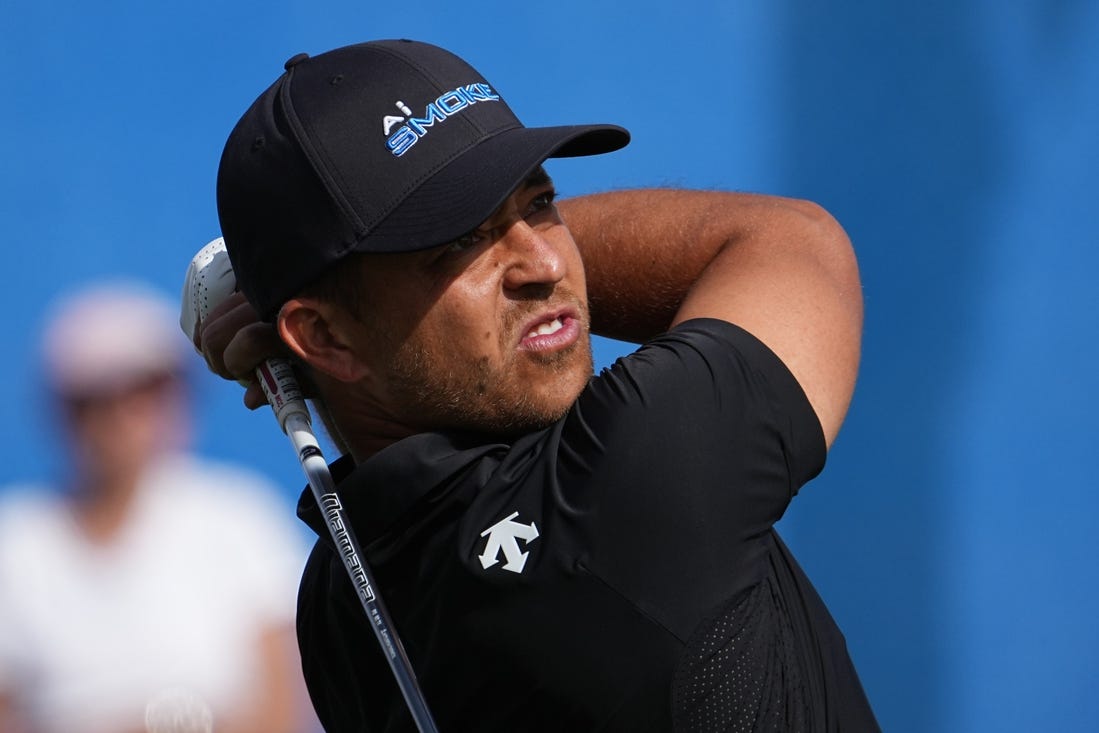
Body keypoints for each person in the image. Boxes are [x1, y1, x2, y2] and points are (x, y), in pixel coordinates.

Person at [196, 39, 879, 732]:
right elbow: (795, 243)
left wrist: (316, 312)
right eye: (458, 239)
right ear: (326, 337)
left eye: (541, 202)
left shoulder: (340, 596)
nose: (546, 260)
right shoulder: (615, 485)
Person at [0, 282, 317, 733]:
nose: (128, 417)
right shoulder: (16, 541)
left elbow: (282, 702)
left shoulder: (238, 517)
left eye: (150, 389)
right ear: (65, 411)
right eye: (100, 397)